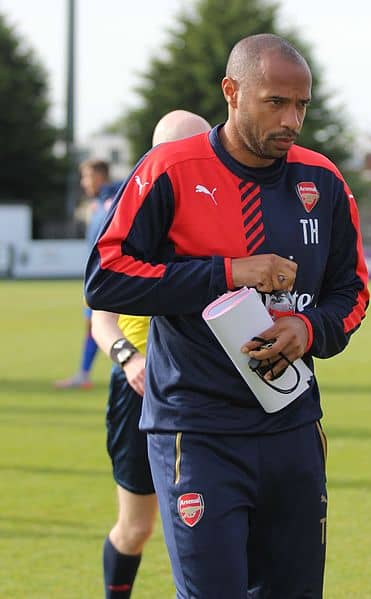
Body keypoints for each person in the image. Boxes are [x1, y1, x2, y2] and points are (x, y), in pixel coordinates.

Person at [85, 33, 369, 598]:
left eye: (301, 105)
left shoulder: (324, 180)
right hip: (199, 430)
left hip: (292, 428)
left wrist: (309, 328)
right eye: (275, 102)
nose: (292, 119)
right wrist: (227, 272)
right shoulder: (169, 169)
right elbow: (106, 275)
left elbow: (353, 294)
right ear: (232, 92)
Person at [92, 110, 212, 599]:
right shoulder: (129, 216)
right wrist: (129, 358)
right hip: (142, 389)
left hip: (209, 386)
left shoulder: (219, 208)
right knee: (136, 528)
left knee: (214, 524)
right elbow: (101, 319)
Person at [55, 159, 121, 389]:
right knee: (96, 325)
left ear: (100, 176)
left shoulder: (115, 199)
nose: (84, 183)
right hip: (97, 277)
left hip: (109, 278)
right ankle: (85, 374)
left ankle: (121, 372)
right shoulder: (98, 204)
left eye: (87, 177)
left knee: (105, 325)